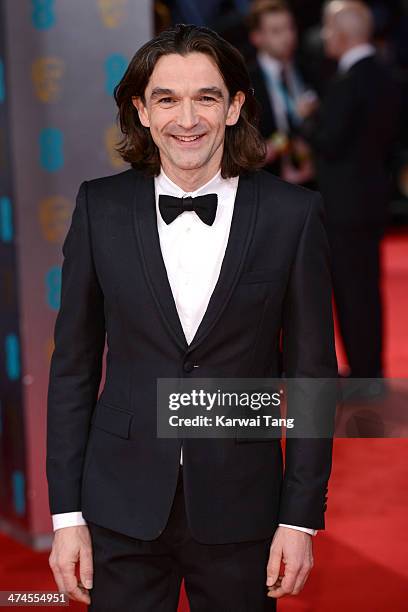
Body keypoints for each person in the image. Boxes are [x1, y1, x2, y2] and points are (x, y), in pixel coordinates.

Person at [46, 24, 337, 611]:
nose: (187, 118)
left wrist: (300, 521)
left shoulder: (292, 216)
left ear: (234, 107)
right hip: (119, 505)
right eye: (166, 99)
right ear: (141, 111)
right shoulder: (99, 209)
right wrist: (67, 515)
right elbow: (73, 369)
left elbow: (312, 380)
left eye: (206, 97)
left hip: (243, 506)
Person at [298, 0, 400, 379]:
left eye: (327, 28)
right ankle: (369, 368)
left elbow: (330, 141)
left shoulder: (349, 81)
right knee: (366, 290)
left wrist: (309, 119)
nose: (322, 36)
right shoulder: (387, 76)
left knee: (352, 292)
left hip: (344, 207)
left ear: (342, 34)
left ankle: (364, 372)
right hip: (373, 200)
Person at [247, 0, 317, 185]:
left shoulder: (309, 69)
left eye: (290, 28)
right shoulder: (246, 82)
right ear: (257, 37)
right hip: (267, 182)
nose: (287, 37)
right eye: (276, 31)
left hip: (312, 180)